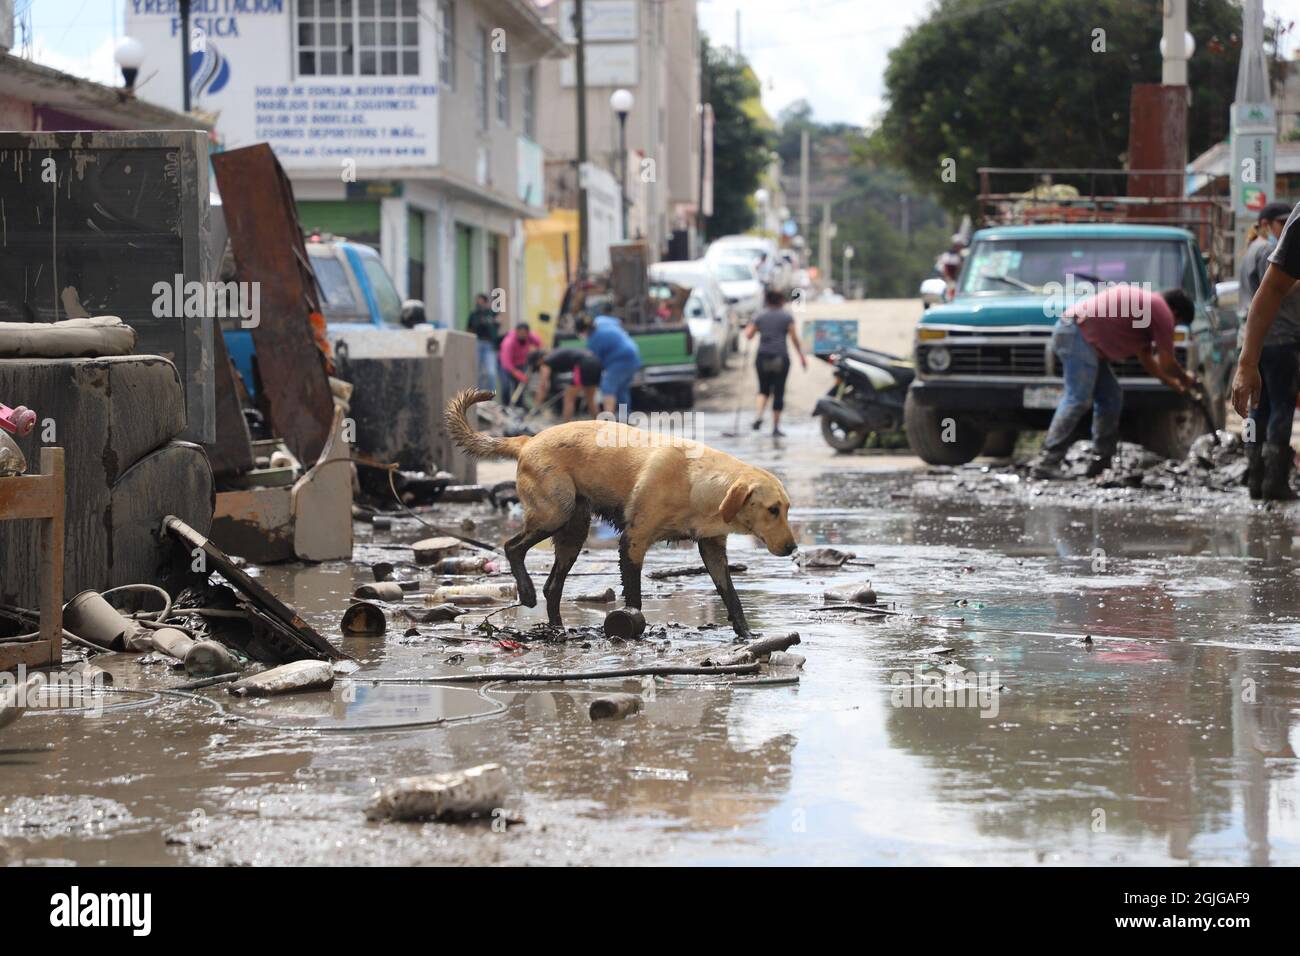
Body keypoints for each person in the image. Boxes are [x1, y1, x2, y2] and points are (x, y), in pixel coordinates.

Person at [1031, 285, 1196, 479]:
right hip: (1076, 334)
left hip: (1077, 335)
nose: (1172, 327)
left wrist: (1172, 384)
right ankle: (1047, 462)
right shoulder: (1162, 311)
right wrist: (1186, 379)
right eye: (1177, 324)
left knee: (1111, 397)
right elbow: (1167, 362)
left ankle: (1101, 462)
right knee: (1078, 399)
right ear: (1175, 312)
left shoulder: (1148, 309)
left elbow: (1147, 359)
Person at [1233, 202, 1300, 501]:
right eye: (1279, 222)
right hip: (1279, 338)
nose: (1282, 227)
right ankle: (1272, 481)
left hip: (1260, 342)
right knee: (1279, 411)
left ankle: (1257, 479)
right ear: (1265, 224)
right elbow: (1274, 288)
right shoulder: (1264, 252)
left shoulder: (1250, 251)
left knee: (1260, 410)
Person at [745, 288, 807, 437]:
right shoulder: (786, 316)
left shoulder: (759, 315)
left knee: (763, 389)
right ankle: (775, 427)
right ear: (780, 300)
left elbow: (748, 335)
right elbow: (794, 338)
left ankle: (759, 416)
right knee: (779, 392)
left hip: (763, 357)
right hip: (780, 358)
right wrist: (801, 356)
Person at [576, 313, 642, 414]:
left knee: (607, 386)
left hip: (620, 360)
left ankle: (608, 420)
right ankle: (624, 418)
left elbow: (596, 362)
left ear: (584, 331)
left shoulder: (594, 340)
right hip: (633, 354)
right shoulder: (601, 319)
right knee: (621, 389)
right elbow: (619, 322)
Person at [530, 346, 602, 421]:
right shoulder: (554, 353)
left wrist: (536, 405)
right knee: (590, 398)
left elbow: (543, 385)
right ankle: (599, 422)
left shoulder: (546, 361)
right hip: (596, 362)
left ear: (538, 360)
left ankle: (566, 424)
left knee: (568, 397)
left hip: (584, 364)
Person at [498, 322, 542, 407]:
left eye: (525, 333)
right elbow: (506, 362)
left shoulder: (529, 337)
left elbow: (539, 343)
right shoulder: (509, 342)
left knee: (520, 386)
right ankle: (505, 406)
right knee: (506, 385)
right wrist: (517, 373)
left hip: (520, 363)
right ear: (516, 332)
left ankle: (519, 406)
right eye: (521, 333)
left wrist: (537, 356)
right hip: (506, 366)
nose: (523, 335)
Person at [466, 294, 500, 393]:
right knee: (477, 372)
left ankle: (490, 396)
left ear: (486, 302)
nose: (479, 304)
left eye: (481, 301)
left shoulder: (492, 314)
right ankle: (478, 396)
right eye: (478, 302)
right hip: (477, 343)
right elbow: (469, 329)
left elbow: (497, 326)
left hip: (489, 344)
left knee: (491, 372)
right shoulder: (473, 315)